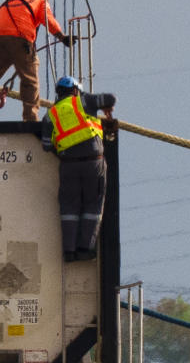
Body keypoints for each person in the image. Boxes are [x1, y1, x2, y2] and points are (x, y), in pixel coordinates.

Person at [41, 75, 116, 262]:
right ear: (75, 90)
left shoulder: (50, 115)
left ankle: (69, 252)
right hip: (93, 162)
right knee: (93, 205)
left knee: (69, 208)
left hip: (68, 165)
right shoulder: (84, 101)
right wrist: (106, 108)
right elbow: (110, 98)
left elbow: (46, 145)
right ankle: (85, 249)